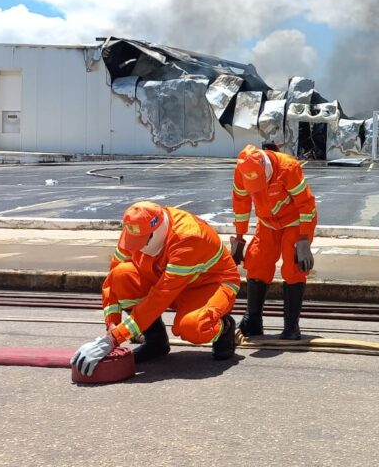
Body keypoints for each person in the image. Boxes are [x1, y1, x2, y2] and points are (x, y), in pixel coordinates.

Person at [71, 201, 240, 376]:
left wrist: (115, 339)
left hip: (209, 284)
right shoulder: (135, 227)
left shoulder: (188, 239)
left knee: (192, 327)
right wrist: (111, 326)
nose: (138, 247)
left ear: (156, 231)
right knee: (122, 275)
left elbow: (160, 297)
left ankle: (224, 329)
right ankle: (155, 342)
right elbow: (113, 277)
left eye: (142, 242)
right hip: (166, 278)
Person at [231, 144, 317, 340]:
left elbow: (306, 204)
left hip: (295, 221)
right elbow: (241, 203)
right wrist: (239, 237)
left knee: (294, 266)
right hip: (267, 222)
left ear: (266, 168)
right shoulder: (242, 170)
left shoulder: (288, 168)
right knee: (257, 261)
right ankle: (253, 320)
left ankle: (291, 327)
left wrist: (304, 240)